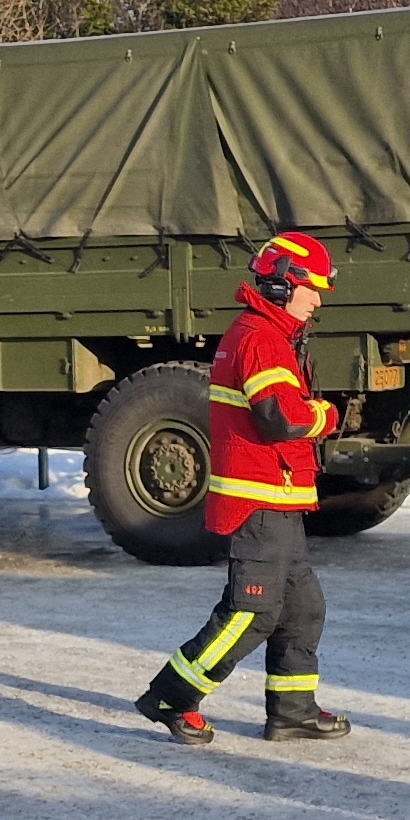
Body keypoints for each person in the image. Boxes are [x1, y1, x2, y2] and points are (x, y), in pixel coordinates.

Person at [138, 231, 350, 747]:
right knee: (252, 611)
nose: (318, 300)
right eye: (312, 287)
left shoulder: (268, 334)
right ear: (282, 286)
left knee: (302, 608)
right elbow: (281, 417)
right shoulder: (261, 338)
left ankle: (293, 711)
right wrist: (327, 414)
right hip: (259, 501)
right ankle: (171, 697)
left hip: (278, 499)